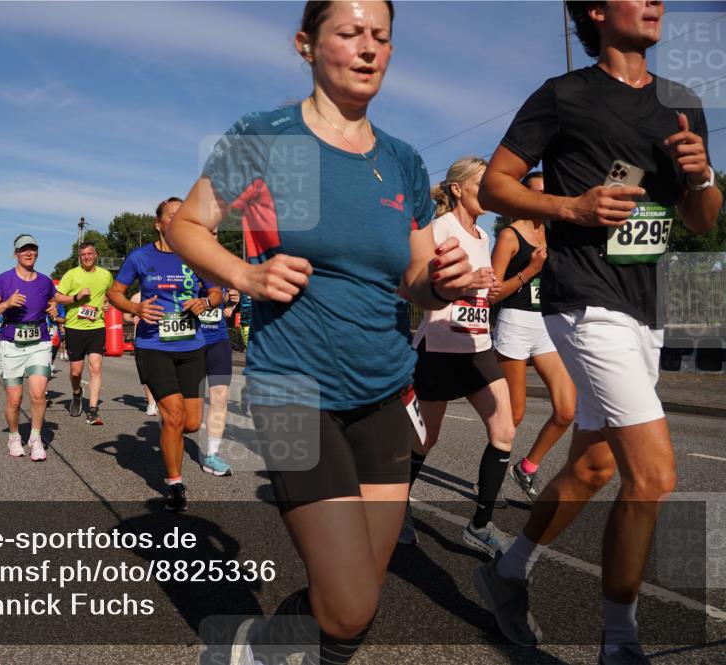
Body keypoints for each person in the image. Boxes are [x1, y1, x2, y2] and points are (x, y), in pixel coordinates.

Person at [165, 2, 475, 662]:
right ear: (306, 45)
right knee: (349, 603)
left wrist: (439, 283)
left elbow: (415, 274)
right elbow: (186, 226)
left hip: (386, 392)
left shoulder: (404, 161)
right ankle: (252, 641)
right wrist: (245, 277)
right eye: (349, 34)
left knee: (355, 606)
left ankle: (286, 650)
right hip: (292, 391)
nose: (368, 49)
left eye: (381, 37)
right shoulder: (264, 136)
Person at [474, 2, 722, 661]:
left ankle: (507, 570)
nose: (655, 2)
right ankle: (620, 641)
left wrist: (700, 173)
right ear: (596, 10)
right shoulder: (564, 96)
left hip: (645, 305)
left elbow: (700, 219)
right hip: (583, 297)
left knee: (594, 462)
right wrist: (569, 206)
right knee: (655, 474)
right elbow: (494, 187)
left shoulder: (681, 103)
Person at [398, 156, 514, 556]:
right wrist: (466, 282)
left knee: (504, 430)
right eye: (482, 184)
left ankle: (480, 525)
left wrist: (488, 288)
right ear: (457, 188)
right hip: (441, 346)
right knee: (426, 439)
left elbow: (481, 290)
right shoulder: (437, 230)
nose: (489, 191)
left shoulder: (484, 237)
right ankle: (395, 508)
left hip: (479, 346)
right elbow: (410, 284)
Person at [108, 197, 220, 512]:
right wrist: (135, 307)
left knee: (192, 423)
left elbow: (215, 291)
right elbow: (113, 293)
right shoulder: (140, 257)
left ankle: (169, 433)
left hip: (192, 346)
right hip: (153, 346)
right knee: (173, 415)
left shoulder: (196, 255)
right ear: (159, 223)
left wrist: (205, 303)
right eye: (172, 215)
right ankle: (174, 483)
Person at [488, 172, 576, 499]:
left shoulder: (551, 234)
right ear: (522, 196)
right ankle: (490, 475)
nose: (542, 198)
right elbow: (491, 295)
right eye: (535, 192)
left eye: (546, 193)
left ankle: (526, 468)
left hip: (545, 325)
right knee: (514, 415)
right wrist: (530, 272)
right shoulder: (510, 236)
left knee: (567, 410)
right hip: (514, 321)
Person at [0, 234, 59, 461]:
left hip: (39, 341)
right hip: (11, 343)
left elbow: (52, 301)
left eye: (32, 249)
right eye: (23, 249)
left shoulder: (45, 281)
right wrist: (6, 304)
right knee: (14, 400)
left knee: (38, 393)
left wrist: (53, 309)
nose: (28, 253)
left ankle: (36, 437)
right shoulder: (3, 280)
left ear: (37, 252)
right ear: (16, 253)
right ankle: (14, 436)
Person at [55, 243, 114, 425]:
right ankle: (77, 394)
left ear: (96, 254)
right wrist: (76, 297)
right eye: (83, 255)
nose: (87, 257)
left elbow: (110, 294)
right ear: (79, 257)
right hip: (75, 327)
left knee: (95, 368)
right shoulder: (71, 274)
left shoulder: (105, 275)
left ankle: (93, 409)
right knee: (75, 371)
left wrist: (107, 303)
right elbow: (57, 296)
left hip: (96, 326)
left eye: (90, 254)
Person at [198, 253, 233, 477]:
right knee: (189, 405)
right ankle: (171, 435)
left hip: (218, 340)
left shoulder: (222, 263)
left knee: (219, 395)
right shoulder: (183, 262)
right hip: (192, 341)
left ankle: (212, 454)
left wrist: (230, 297)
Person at [128, 291, 159, 416]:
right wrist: (132, 318)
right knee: (149, 373)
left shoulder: (167, 291)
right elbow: (126, 315)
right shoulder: (137, 296)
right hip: (146, 339)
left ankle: (163, 401)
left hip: (167, 339)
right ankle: (151, 404)